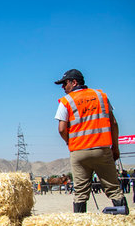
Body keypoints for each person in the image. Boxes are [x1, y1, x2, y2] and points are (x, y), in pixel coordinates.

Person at [54, 69, 128, 214]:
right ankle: (124, 223)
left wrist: (70, 143)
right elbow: (113, 123)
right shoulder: (100, 96)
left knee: (80, 193)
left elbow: (62, 129)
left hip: (79, 152)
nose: (63, 87)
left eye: (65, 83)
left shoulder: (66, 101)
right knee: (114, 190)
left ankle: (80, 225)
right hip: (102, 149)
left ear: (74, 82)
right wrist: (115, 148)